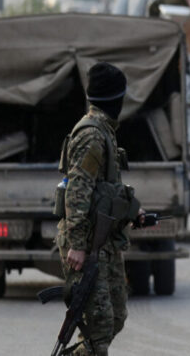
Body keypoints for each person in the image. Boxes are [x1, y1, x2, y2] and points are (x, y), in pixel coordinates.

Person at [55, 62, 146, 356]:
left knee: (115, 318)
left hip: (103, 241)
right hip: (88, 245)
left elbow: (105, 191)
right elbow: (77, 191)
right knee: (100, 329)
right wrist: (79, 245)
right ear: (115, 98)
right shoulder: (92, 135)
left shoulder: (105, 131)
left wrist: (133, 212)